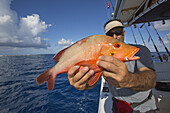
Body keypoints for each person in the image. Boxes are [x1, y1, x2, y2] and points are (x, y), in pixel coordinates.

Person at [67, 19, 157, 113]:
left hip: (143, 107)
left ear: (124, 33)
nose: (115, 36)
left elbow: (151, 80)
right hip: (117, 106)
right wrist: (83, 84)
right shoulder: (103, 55)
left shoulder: (140, 50)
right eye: (110, 34)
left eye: (118, 32)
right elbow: (92, 82)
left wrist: (128, 79)